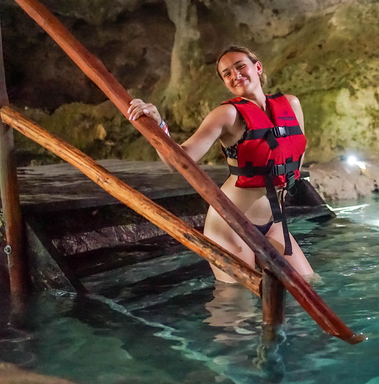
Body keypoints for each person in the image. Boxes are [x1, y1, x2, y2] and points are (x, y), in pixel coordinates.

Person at [127, 45, 315, 282]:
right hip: (230, 225)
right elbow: (178, 161)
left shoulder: (291, 105)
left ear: (257, 68)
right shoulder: (227, 115)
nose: (235, 75)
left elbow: (297, 154)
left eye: (240, 66)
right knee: (237, 304)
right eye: (227, 73)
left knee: (309, 284)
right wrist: (158, 128)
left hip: (274, 223)